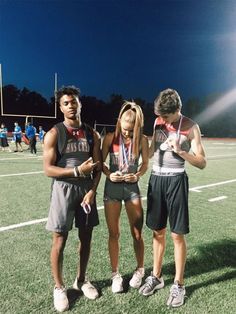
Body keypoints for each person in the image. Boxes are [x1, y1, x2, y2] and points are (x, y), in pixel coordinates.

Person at [139, 89, 206, 308]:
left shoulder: (190, 127)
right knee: (157, 231)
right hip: (156, 179)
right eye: (160, 116)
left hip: (176, 180)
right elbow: (150, 153)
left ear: (178, 110)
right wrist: (140, 143)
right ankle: (157, 277)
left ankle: (179, 283)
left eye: (166, 116)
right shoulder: (158, 122)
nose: (162, 120)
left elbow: (202, 162)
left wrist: (181, 151)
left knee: (177, 235)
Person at [43, 86, 102, 312]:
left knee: (86, 237)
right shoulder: (55, 133)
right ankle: (59, 287)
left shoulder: (91, 133)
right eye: (66, 103)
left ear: (80, 104)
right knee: (59, 239)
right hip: (64, 190)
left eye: (74, 101)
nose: (71, 105)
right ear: (60, 107)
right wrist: (76, 171)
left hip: (86, 191)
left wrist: (93, 190)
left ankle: (81, 279)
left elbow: (96, 168)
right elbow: (48, 169)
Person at [102, 101, 149, 293]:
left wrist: (137, 174)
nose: (127, 134)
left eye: (131, 130)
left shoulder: (142, 140)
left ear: (137, 126)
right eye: (125, 129)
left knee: (137, 233)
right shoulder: (109, 138)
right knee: (114, 234)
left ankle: (140, 270)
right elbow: (100, 163)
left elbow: (145, 164)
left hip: (131, 189)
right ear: (119, 122)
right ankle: (115, 275)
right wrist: (108, 173)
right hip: (112, 188)